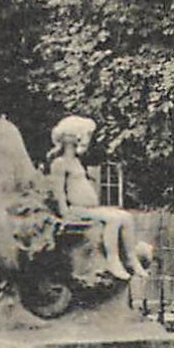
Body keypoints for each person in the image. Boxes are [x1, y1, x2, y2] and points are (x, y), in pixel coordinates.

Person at [47, 116, 150, 280]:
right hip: (78, 210)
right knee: (113, 219)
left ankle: (131, 259)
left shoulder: (76, 162)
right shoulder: (59, 163)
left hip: (90, 208)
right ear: (71, 139)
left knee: (127, 217)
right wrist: (65, 212)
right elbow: (58, 191)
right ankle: (113, 260)